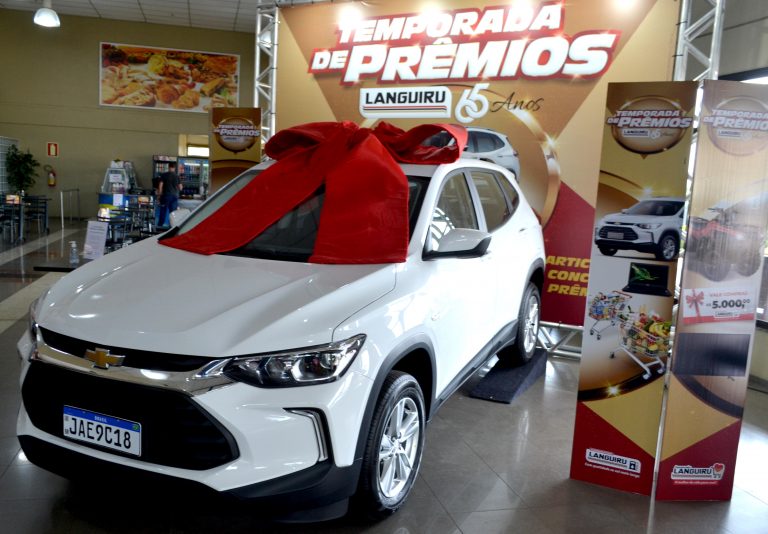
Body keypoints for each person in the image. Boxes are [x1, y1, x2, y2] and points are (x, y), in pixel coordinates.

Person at [158, 161, 182, 227]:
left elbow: (160, 186)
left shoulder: (164, 175)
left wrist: (159, 195)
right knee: (173, 213)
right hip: (174, 196)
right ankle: (172, 226)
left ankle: (160, 225)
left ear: (168, 167)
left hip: (165, 196)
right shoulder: (177, 176)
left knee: (163, 211)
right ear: (174, 168)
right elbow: (180, 188)